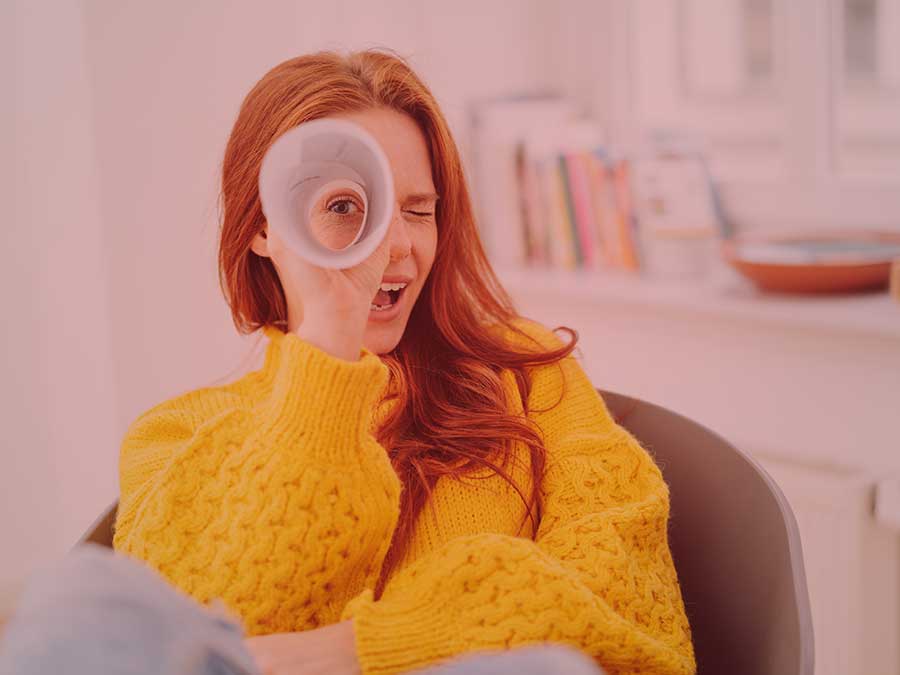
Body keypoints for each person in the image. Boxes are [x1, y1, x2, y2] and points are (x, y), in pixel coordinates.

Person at [2, 50, 696, 675]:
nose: (391, 246)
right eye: (346, 207)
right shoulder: (174, 434)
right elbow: (209, 634)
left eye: (417, 210)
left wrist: (353, 647)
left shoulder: (526, 373)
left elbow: (629, 612)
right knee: (75, 593)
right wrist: (329, 337)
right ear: (264, 229)